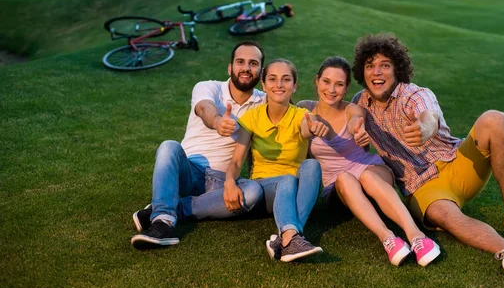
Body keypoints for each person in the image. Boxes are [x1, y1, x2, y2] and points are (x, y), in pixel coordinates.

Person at [351, 32, 504, 276]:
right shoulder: (360, 103)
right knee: (446, 216)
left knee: (495, 119)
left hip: (456, 162)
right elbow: (350, 125)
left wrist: (424, 129)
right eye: (370, 66)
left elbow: (428, 115)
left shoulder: (413, 94)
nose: (376, 72)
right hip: (421, 186)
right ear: (362, 71)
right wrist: (356, 134)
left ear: (397, 69)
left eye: (385, 65)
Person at [297, 56, 441, 267]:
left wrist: (358, 128)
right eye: (326, 81)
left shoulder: (352, 109)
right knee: (345, 178)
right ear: (317, 81)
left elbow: (357, 118)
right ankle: (388, 239)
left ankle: (417, 237)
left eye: (339, 84)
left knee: (366, 176)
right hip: (340, 190)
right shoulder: (305, 108)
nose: (331, 89)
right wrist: (311, 126)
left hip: (371, 172)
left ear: (346, 88)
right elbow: (303, 127)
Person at [130, 41, 267, 249]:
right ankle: (163, 223)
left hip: (223, 182)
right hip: (188, 172)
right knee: (169, 146)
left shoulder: (264, 102)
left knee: (253, 192)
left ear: (261, 71)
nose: (246, 68)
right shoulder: (208, 87)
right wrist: (218, 122)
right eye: (240, 62)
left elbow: (289, 112)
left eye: (253, 63)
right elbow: (205, 108)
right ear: (230, 68)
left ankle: (170, 207)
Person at [225, 58, 326, 262]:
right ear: (264, 85)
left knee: (312, 165)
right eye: (272, 79)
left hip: (297, 191)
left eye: (286, 79)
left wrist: (313, 126)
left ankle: (285, 238)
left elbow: (308, 126)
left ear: (294, 86)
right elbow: (237, 161)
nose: (279, 84)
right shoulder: (253, 117)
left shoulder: (301, 115)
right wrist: (229, 182)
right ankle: (291, 237)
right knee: (286, 180)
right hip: (265, 190)